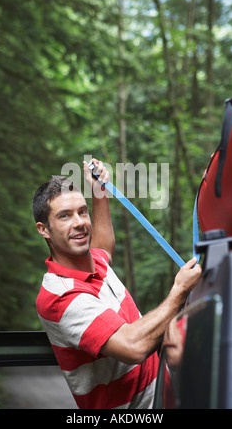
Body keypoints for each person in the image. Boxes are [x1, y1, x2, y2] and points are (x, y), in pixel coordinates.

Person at [33, 159, 202, 409]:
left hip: (164, 397)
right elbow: (134, 346)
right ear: (44, 230)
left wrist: (99, 193)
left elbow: (102, 246)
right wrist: (180, 290)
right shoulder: (59, 297)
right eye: (64, 216)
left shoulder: (95, 263)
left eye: (82, 211)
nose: (79, 222)